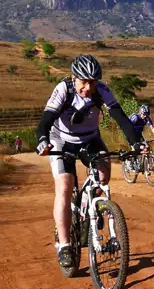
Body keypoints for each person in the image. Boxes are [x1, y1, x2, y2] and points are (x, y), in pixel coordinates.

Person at [35, 54, 147, 269]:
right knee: (65, 186)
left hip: (90, 139)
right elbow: (45, 121)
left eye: (92, 82)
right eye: (84, 82)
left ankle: (91, 209)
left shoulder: (102, 90)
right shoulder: (64, 89)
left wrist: (136, 142)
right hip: (61, 141)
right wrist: (42, 140)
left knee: (103, 177)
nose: (88, 87)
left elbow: (120, 117)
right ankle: (65, 246)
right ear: (74, 77)